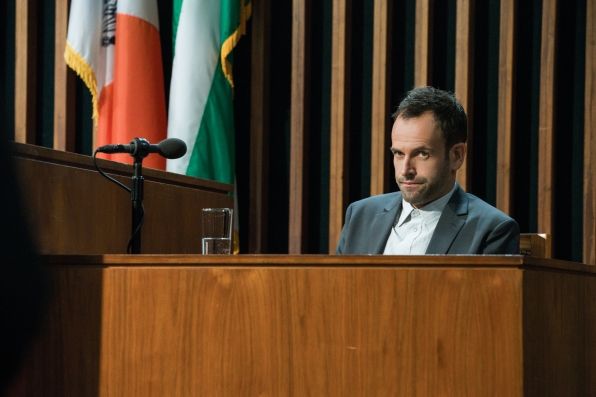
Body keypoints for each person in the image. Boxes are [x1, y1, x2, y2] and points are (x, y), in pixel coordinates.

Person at [336, 86, 519, 255]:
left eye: (422, 154)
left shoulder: (492, 229)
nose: (406, 169)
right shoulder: (360, 215)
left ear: (457, 155)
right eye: (399, 154)